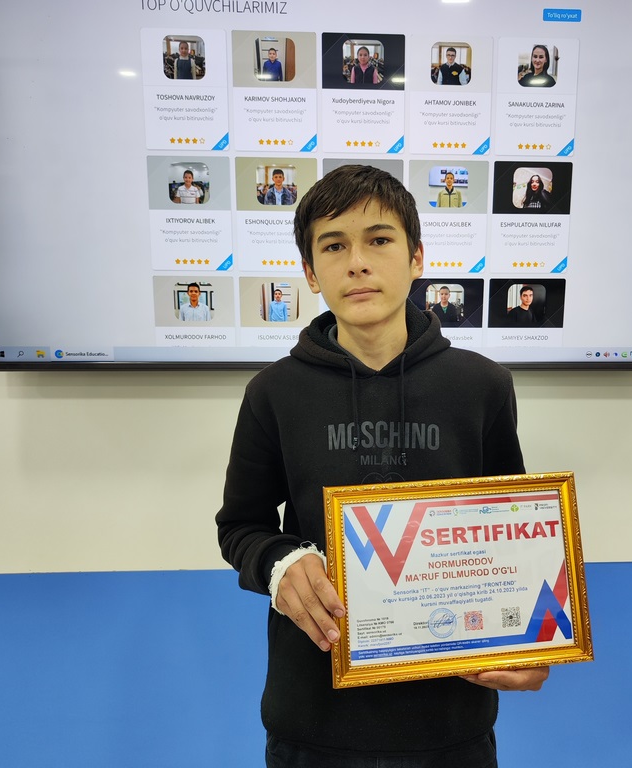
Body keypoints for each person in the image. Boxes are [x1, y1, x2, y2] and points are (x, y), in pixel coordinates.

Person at [216, 165, 548, 768]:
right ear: (310, 273)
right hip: (313, 719)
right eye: (333, 246)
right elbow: (240, 527)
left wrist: (536, 636)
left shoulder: (483, 386)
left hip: (450, 721)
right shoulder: (273, 393)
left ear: (417, 257)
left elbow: (513, 535)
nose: (357, 263)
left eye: (379, 239)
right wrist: (280, 563)